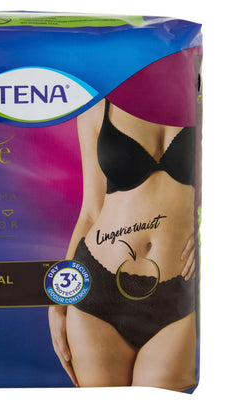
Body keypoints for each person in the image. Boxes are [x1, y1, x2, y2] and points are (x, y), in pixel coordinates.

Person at [48, 97, 197, 391]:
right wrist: (59, 301)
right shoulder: (96, 104)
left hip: (179, 292)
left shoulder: (208, 98)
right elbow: (90, 212)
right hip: (97, 289)